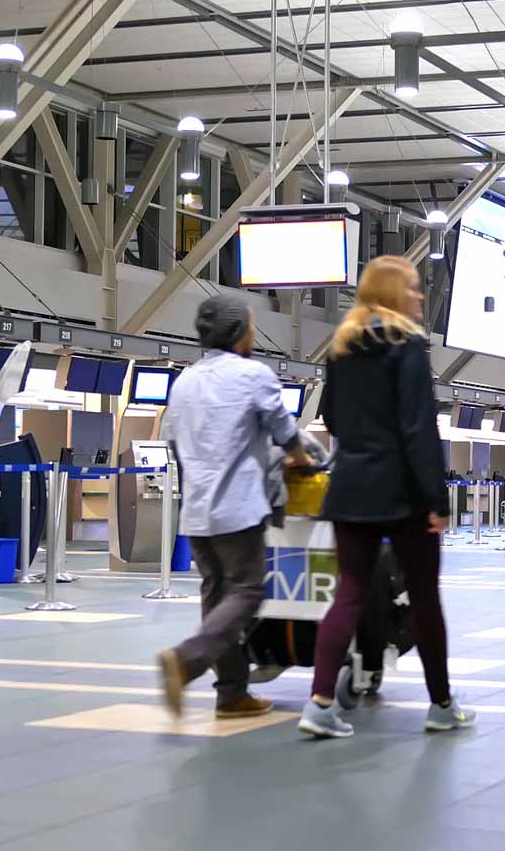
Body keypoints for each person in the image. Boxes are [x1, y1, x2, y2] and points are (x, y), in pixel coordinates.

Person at [297, 255, 474, 739]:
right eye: (414, 289)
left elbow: (331, 417)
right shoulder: (409, 347)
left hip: (351, 489)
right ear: (394, 295)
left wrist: (361, 447)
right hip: (405, 497)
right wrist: (437, 501)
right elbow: (418, 429)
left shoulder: (341, 347)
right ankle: (441, 704)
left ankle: (319, 704)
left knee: (348, 594)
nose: (420, 298)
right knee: (424, 599)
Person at [157, 295, 310, 719]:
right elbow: (283, 428)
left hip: (197, 512)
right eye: (252, 326)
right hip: (238, 508)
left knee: (216, 594)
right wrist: (299, 456)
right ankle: (187, 659)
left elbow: (172, 441)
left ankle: (231, 693)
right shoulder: (252, 375)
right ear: (240, 332)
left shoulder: (184, 380)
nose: (254, 334)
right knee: (247, 590)